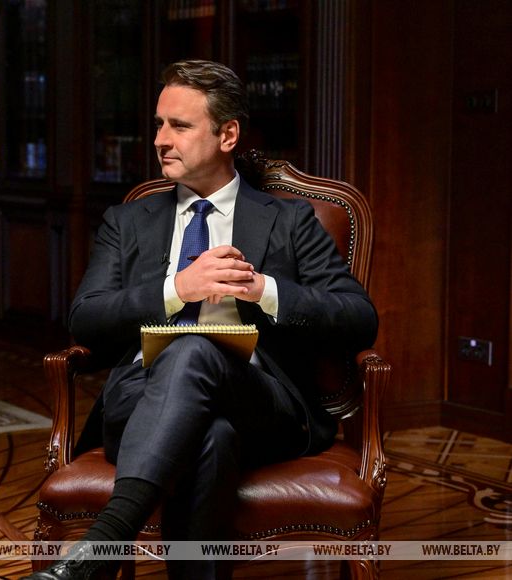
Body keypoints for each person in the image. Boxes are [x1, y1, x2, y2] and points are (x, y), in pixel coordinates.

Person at [22, 60, 378, 580]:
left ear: (227, 134)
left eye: (180, 126)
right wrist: (177, 290)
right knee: (212, 434)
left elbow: (358, 317)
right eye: (159, 125)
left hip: (260, 399)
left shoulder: (289, 219)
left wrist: (263, 289)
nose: (160, 140)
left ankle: (103, 546)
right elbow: (86, 319)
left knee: (193, 350)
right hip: (141, 399)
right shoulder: (128, 221)